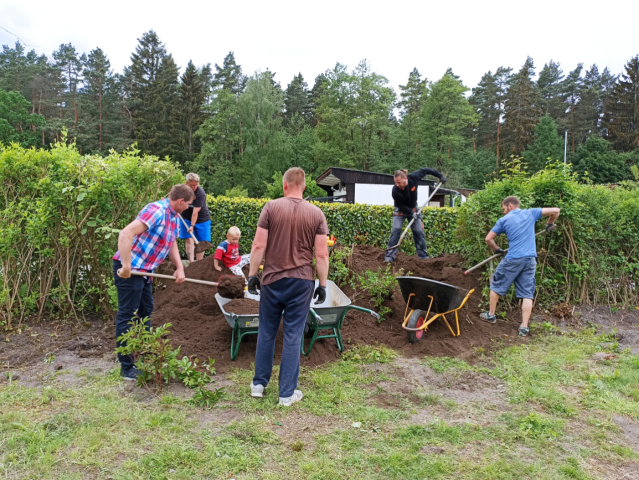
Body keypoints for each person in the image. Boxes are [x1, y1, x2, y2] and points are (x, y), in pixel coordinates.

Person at [247, 167, 329, 406]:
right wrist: (322, 285)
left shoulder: (271, 208)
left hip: (272, 281)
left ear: (284, 185)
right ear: (304, 187)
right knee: (293, 336)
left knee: (267, 331)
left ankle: (259, 385)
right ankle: (286, 395)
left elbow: (258, 246)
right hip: (302, 282)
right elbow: (322, 254)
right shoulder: (316, 214)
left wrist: (253, 276)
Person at [113, 184, 195, 380]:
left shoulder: (175, 217)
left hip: (145, 271)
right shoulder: (156, 211)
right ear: (180, 201)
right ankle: (127, 367)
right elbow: (125, 233)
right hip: (131, 269)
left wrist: (180, 267)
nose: (188, 208)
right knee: (128, 315)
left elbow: (172, 241)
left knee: (145, 311)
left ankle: (145, 351)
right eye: (188, 205)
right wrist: (126, 266)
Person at [479, 196, 560, 336]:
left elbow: (488, 238)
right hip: (530, 260)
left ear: (509, 206)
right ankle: (524, 327)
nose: (504, 212)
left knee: (496, 285)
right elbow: (556, 211)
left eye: (504, 209)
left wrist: (497, 249)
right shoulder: (530, 213)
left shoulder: (504, 220)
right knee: (527, 293)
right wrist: (549, 224)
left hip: (513, 259)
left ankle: (491, 315)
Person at [384, 167, 447, 263]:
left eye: (399, 182)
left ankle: (423, 258)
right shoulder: (395, 190)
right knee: (395, 231)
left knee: (418, 232)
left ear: (405, 179)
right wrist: (411, 213)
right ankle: (389, 258)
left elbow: (426, 170)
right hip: (401, 210)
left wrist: (440, 176)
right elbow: (400, 205)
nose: (397, 185)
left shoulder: (413, 177)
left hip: (413, 207)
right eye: (395, 182)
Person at [179, 173, 211, 263]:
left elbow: (195, 212)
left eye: (196, 185)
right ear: (187, 183)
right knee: (189, 239)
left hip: (202, 219)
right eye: (192, 185)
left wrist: (192, 226)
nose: (194, 187)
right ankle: (191, 263)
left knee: (201, 242)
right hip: (186, 218)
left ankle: (199, 264)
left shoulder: (200, 193)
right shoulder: (182, 190)